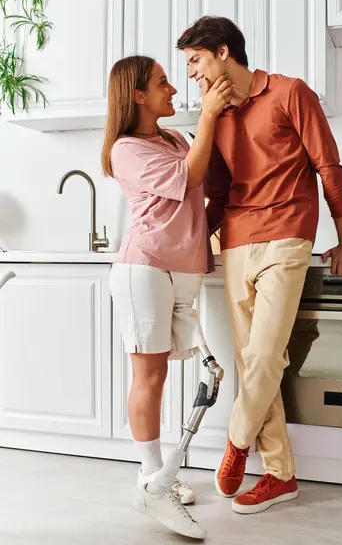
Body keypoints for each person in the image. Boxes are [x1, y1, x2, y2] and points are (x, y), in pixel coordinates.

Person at [177, 16, 342, 515]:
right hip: (234, 242)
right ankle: (280, 475)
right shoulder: (212, 116)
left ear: (222, 52)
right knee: (254, 361)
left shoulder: (290, 92)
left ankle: (236, 443)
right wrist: (191, 243)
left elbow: (328, 165)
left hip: (287, 237)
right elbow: (214, 194)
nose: (191, 74)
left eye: (195, 61)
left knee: (263, 354)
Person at [101, 55, 231, 538]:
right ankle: (151, 481)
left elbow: (207, 181)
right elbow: (191, 179)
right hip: (146, 267)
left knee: (165, 372)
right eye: (162, 83)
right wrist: (211, 114)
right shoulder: (126, 149)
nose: (174, 88)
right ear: (137, 94)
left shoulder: (174, 139)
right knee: (149, 373)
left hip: (179, 268)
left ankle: (159, 478)